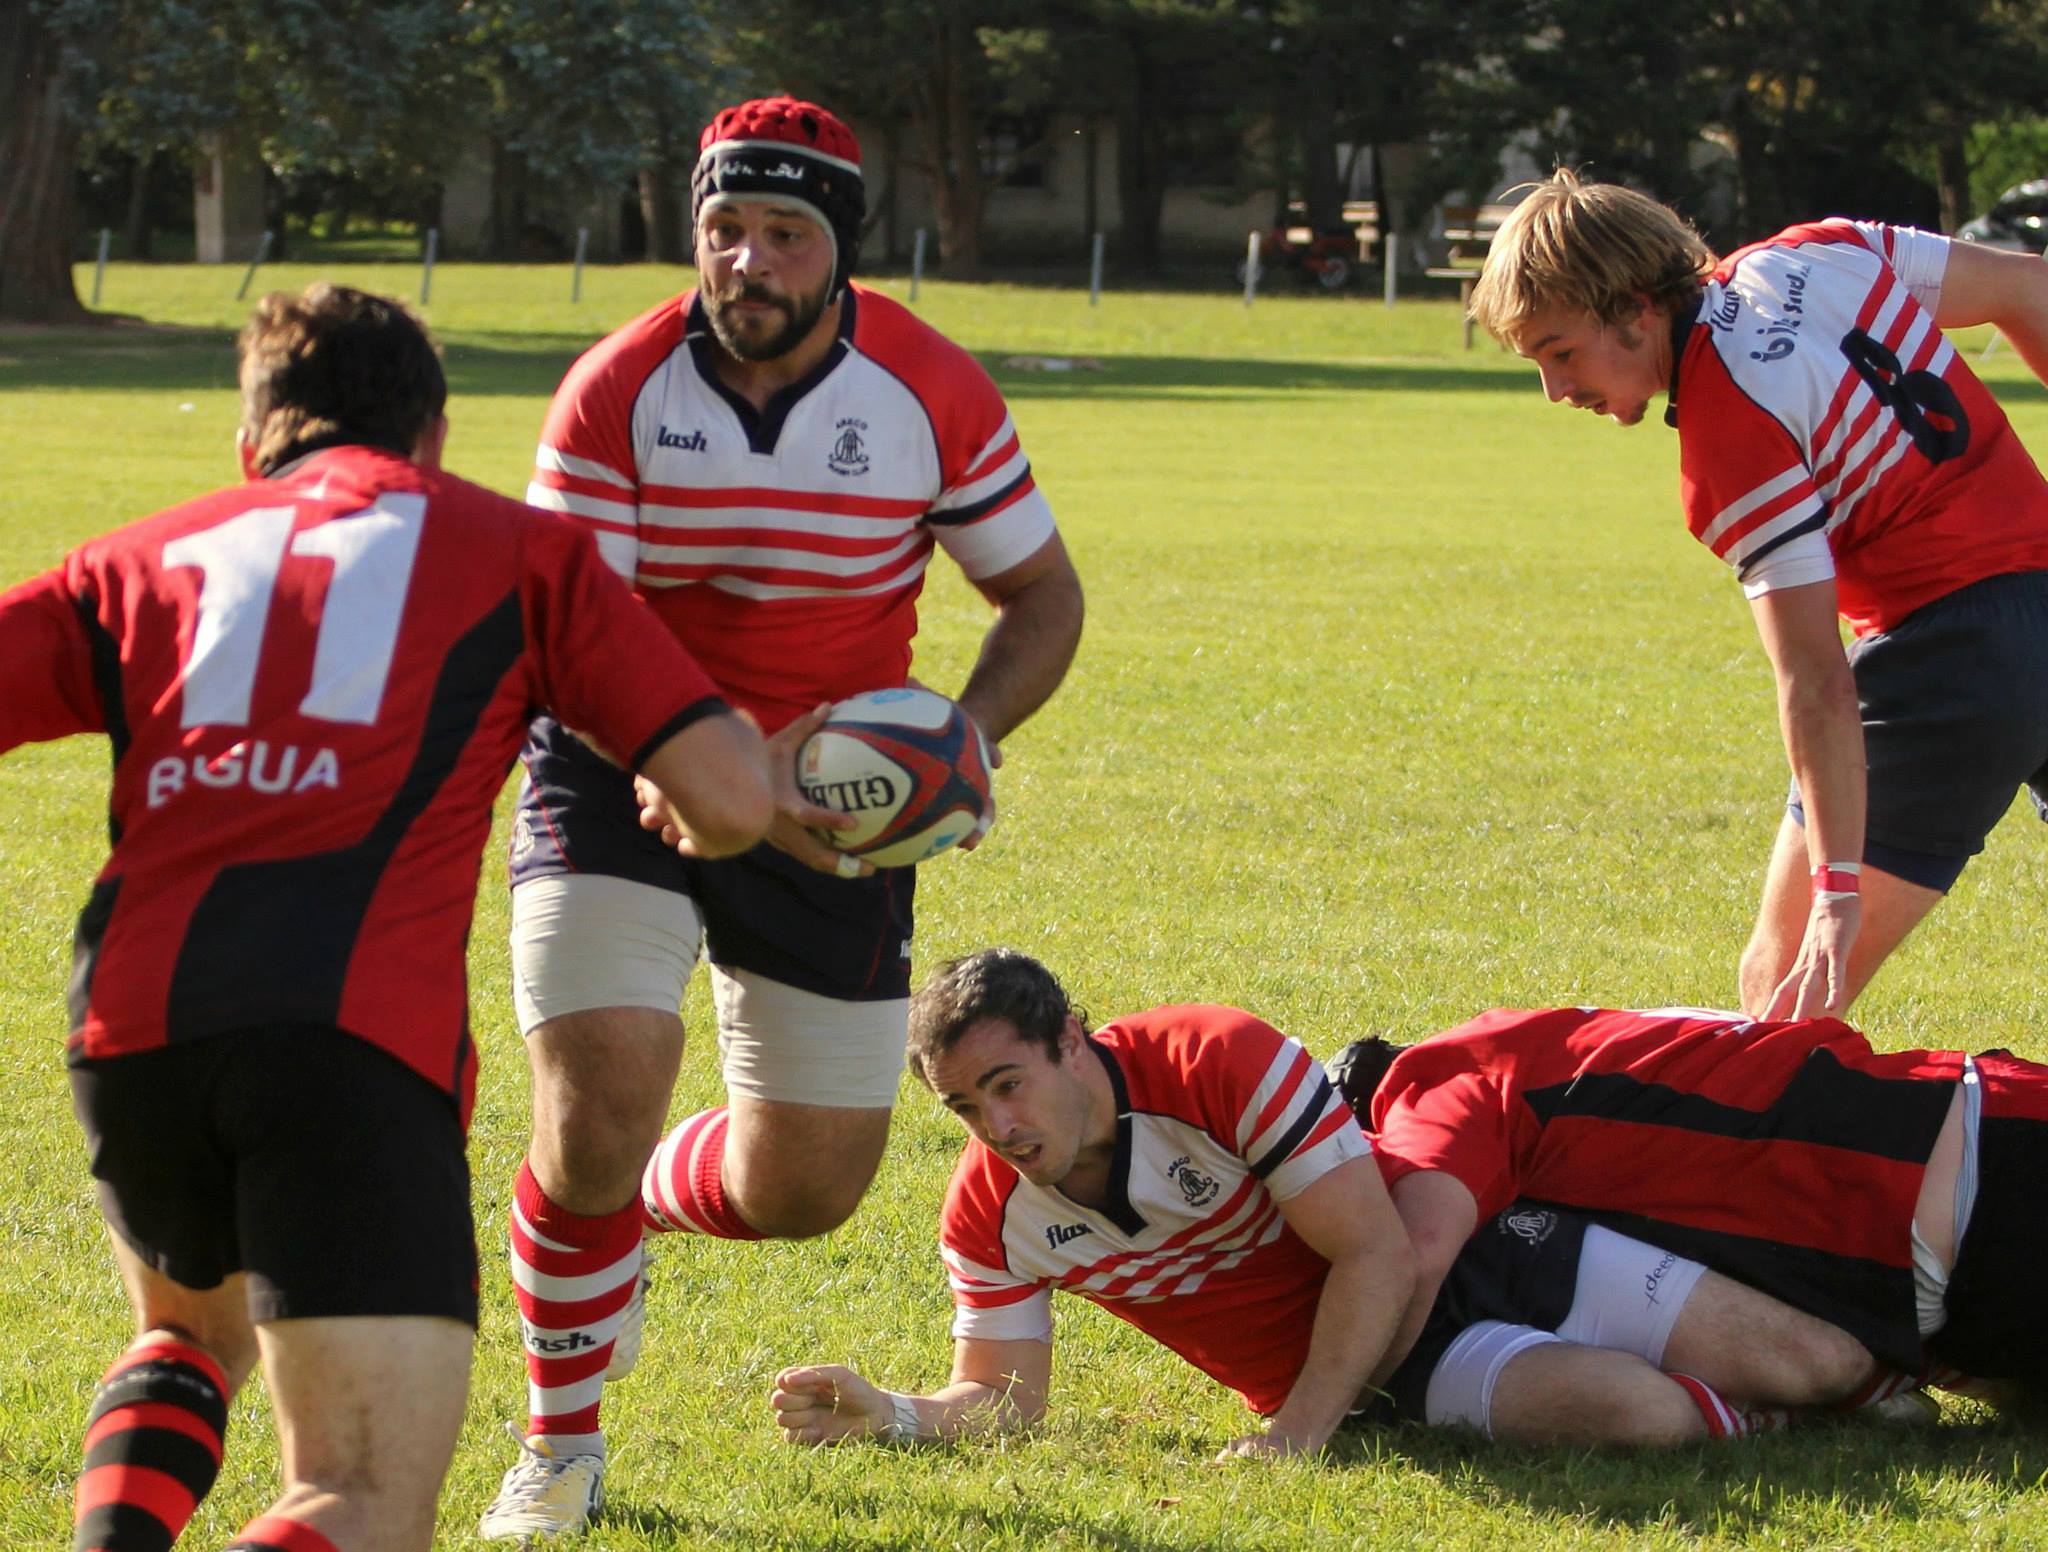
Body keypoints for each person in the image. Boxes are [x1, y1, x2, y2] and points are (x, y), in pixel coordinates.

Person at [0, 285, 775, 1552]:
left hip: (132, 1028)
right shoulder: (518, 553)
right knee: (355, 1499)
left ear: (251, 446)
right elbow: (732, 800)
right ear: (433, 435)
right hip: (347, 1038)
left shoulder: (139, 557)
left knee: (189, 1334)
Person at [482, 96, 1084, 1538]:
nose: (747, 260)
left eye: (783, 233)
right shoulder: (617, 387)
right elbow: (578, 626)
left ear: (842, 252)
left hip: (842, 810)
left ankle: (619, 1205)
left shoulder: (930, 391)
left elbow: (1042, 599)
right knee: (596, 1098)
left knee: (806, 1186)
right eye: (724, 230)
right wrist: (692, 762)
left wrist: (962, 752)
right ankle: (560, 1444)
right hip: (619, 762)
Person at [766, 951, 1926, 1455]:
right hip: (1393, 1373)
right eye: (965, 1108)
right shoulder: (990, 1218)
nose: (998, 1126)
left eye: (1006, 1084)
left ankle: (1903, 1377)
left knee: (1820, 1358)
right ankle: (1767, 1422)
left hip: (1467, 1259)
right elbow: (1005, 1401)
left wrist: (1292, 1436)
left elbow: (1379, 1249)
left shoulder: (1214, 1059)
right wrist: (905, 1411)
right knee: (1637, 1419)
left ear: (1071, 1038)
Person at [1468, 170, 2048, 1021]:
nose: (1557, 392)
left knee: (1779, 999)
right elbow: (2030, 286)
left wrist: (1835, 890)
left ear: (1634, 308)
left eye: (1560, 354)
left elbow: (1816, 683)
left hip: (1959, 659)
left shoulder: (1726, 433)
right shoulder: (1821, 250)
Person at [1352, 1005, 2043, 1400]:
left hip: (1975, 1185)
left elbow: (1415, 1253)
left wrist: (1330, 1410)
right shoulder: (1554, 1047)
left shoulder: (1431, 1082)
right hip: (1975, 1161)